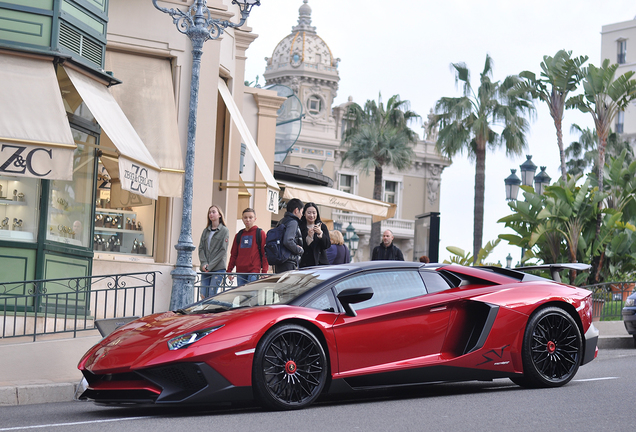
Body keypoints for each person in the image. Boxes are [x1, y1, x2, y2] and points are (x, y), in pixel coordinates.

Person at [227, 208, 268, 286]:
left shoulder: (260, 233)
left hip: (254, 270)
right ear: (242, 219)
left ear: (255, 219)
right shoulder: (238, 235)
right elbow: (233, 254)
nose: (248, 220)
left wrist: (264, 271)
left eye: (250, 217)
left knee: (252, 295)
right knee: (242, 297)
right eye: (245, 217)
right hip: (240, 271)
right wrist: (229, 270)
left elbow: (265, 254)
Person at [198, 204, 229, 299]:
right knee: (203, 294)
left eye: (213, 212)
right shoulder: (205, 231)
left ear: (219, 215)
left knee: (212, 294)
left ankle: (213, 313)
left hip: (218, 268)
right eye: (209, 212)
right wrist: (204, 263)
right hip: (205, 268)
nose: (211, 214)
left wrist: (210, 266)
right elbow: (201, 248)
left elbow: (223, 250)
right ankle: (204, 313)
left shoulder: (224, 230)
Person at [274, 198, 305, 273]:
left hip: (279, 260)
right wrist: (299, 250)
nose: (302, 214)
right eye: (301, 211)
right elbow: (288, 240)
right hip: (288, 261)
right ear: (296, 210)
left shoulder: (282, 221)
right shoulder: (293, 222)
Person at [299, 202, 331, 268]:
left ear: (317, 214)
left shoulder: (322, 226)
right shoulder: (300, 227)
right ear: (304, 214)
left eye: (314, 213)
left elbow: (327, 245)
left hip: (320, 264)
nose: (312, 215)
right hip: (305, 264)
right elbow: (299, 246)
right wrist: (308, 237)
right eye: (309, 213)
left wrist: (320, 234)